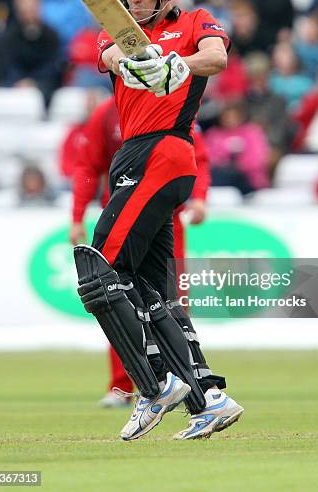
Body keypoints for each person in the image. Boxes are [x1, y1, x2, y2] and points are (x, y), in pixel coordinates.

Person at [73, 0, 243, 441]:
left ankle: (151, 386)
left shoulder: (194, 21)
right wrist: (132, 63)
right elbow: (108, 51)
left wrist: (178, 65)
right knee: (152, 290)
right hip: (136, 157)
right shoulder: (120, 31)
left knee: (98, 267)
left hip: (164, 150)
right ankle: (206, 396)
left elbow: (217, 55)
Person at [68, 96, 211, 407]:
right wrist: (77, 214)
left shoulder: (166, 102)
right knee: (120, 295)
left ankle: (183, 383)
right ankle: (128, 384)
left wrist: (199, 196)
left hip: (166, 215)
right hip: (125, 213)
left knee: (161, 299)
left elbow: (195, 152)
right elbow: (87, 164)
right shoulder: (106, 113)